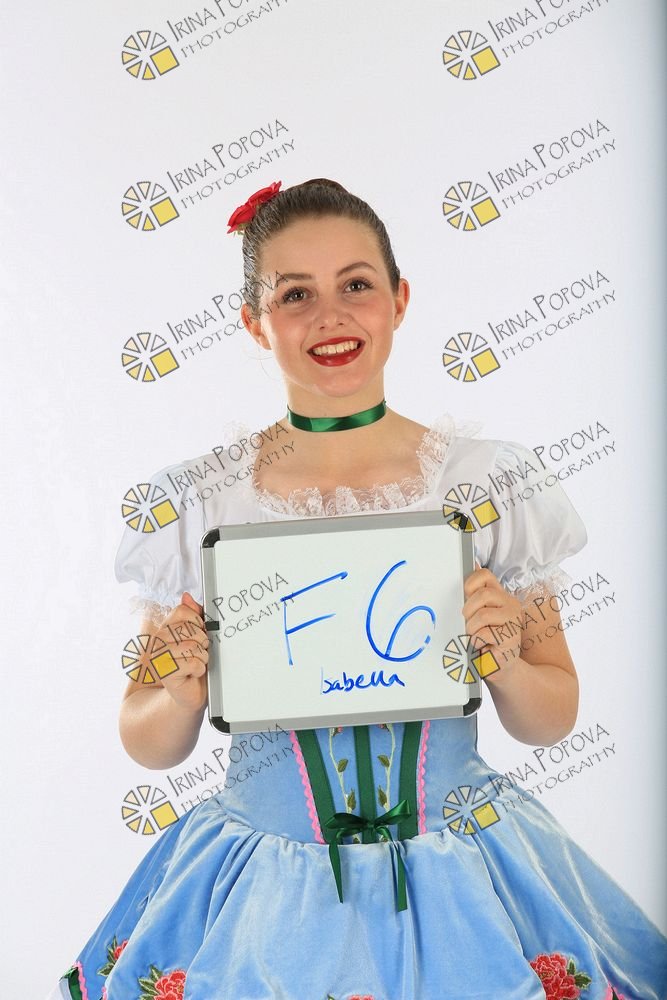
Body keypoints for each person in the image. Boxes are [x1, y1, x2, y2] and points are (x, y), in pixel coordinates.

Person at [49, 179, 666, 1000]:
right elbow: (146, 739)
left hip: (463, 868)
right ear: (253, 320)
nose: (329, 316)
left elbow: (551, 718)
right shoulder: (199, 502)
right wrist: (181, 693)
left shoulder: (487, 485)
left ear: (399, 299)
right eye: (294, 294)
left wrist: (506, 661)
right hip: (264, 887)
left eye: (355, 284)